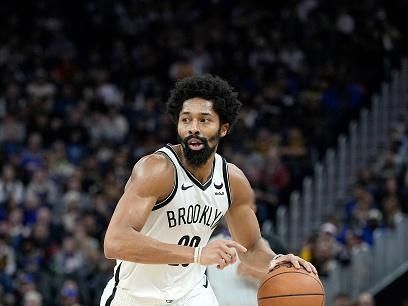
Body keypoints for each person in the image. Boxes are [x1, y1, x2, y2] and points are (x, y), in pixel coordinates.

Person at [100, 74, 317, 306]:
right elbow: (115, 242)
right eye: (186, 120)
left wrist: (277, 261)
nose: (193, 128)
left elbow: (251, 248)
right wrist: (197, 254)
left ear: (223, 128)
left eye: (204, 120)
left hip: (192, 295)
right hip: (134, 297)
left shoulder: (232, 181)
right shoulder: (156, 170)